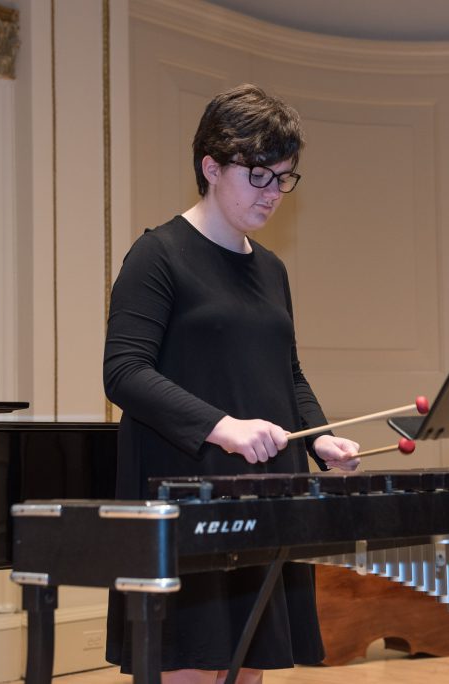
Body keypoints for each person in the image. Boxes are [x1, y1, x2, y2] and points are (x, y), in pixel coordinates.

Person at [103, 83, 360, 684]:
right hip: (186, 492)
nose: (273, 194)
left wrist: (317, 438)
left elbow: (285, 371)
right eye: (259, 176)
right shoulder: (158, 254)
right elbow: (124, 372)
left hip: (262, 493)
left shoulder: (272, 268)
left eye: (284, 177)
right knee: (191, 665)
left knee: (248, 667)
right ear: (211, 166)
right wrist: (224, 429)